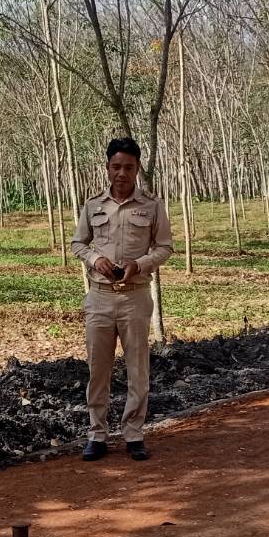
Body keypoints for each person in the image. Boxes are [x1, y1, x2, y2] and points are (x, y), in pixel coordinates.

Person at [70, 137, 174, 463]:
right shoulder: (92, 206)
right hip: (99, 299)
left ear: (137, 168)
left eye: (128, 167)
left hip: (135, 298)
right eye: (116, 167)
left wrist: (139, 265)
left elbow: (165, 247)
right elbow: (78, 243)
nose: (122, 173)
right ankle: (96, 434)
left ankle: (133, 434)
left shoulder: (152, 206)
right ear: (107, 167)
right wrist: (93, 259)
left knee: (137, 370)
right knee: (97, 370)